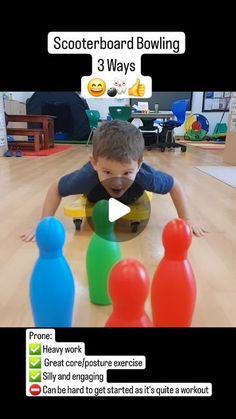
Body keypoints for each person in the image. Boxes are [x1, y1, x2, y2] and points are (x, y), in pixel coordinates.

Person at [20, 120, 207, 242]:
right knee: (79, 183)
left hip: (133, 192)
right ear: (94, 163)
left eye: (126, 173)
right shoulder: (87, 176)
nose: (117, 182)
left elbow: (175, 185)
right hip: (95, 194)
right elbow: (56, 188)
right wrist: (44, 223)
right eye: (108, 171)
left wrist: (187, 220)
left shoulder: (145, 176)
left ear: (139, 166)